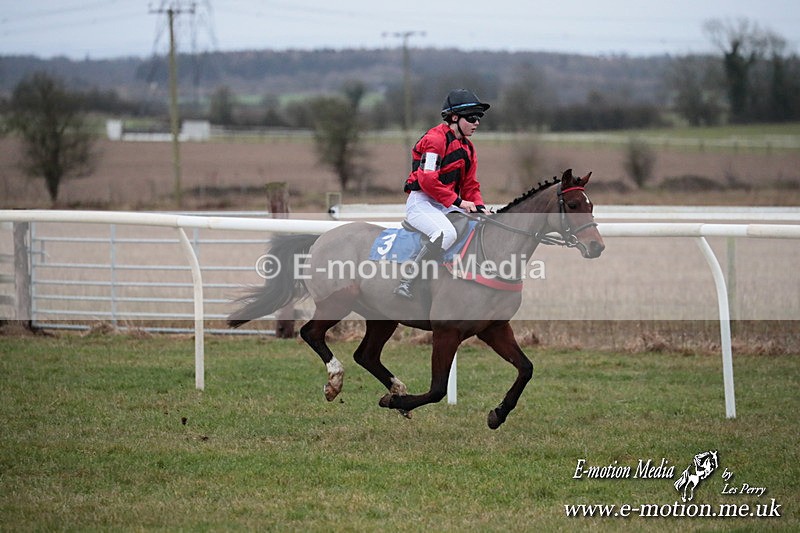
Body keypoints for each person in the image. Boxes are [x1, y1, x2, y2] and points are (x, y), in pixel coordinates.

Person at [393, 88, 490, 299]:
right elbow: (427, 180)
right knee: (446, 234)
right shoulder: (435, 140)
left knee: (480, 228)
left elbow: (471, 185)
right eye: (472, 118)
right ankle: (408, 281)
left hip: (446, 203)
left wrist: (480, 207)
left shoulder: (469, 148)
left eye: (479, 118)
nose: (477, 123)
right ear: (454, 118)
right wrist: (458, 201)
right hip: (422, 202)